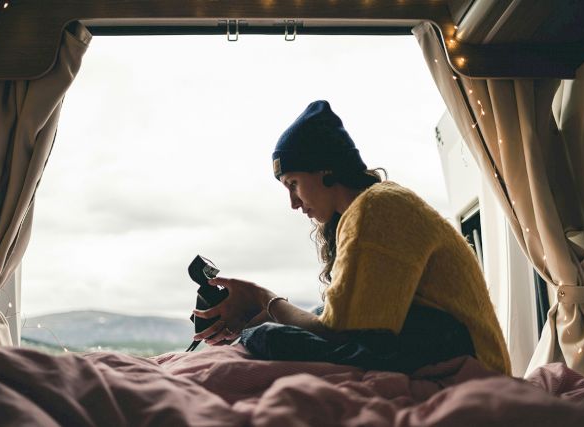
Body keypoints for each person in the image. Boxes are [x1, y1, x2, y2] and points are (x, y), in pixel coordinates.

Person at [193, 100, 511, 375]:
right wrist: (253, 313)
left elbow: (339, 331)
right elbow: (339, 320)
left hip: (463, 357)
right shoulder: (375, 206)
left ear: (324, 169)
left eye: (293, 184)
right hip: (443, 345)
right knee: (269, 328)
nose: (292, 202)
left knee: (267, 337)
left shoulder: (378, 207)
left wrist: (263, 298)